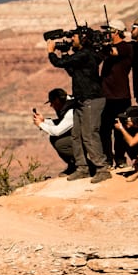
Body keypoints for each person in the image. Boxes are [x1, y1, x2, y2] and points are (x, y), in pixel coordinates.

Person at [47, 30, 112, 182]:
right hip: (81, 100)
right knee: (77, 135)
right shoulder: (83, 56)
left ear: (83, 39)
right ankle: (82, 167)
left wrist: (51, 52)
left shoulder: (86, 54)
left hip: (91, 99)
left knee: (89, 134)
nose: (71, 39)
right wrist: (64, 53)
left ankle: (102, 169)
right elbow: (71, 70)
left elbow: (59, 63)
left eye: (74, 37)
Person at [98, 20, 134, 168]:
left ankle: (120, 158)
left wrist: (103, 45)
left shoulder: (126, 47)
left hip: (120, 97)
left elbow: (114, 52)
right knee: (104, 130)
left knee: (120, 130)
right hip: (106, 96)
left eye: (110, 31)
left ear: (117, 32)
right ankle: (107, 158)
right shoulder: (106, 49)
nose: (107, 34)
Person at [31, 87, 78, 175]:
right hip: (78, 134)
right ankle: (73, 165)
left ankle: (82, 164)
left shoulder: (71, 110)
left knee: (60, 143)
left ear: (57, 101)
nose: (51, 106)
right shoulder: (67, 105)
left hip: (86, 138)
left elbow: (57, 131)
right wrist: (44, 121)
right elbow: (62, 122)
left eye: (52, 103)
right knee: (54, 138)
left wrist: (40, 124)